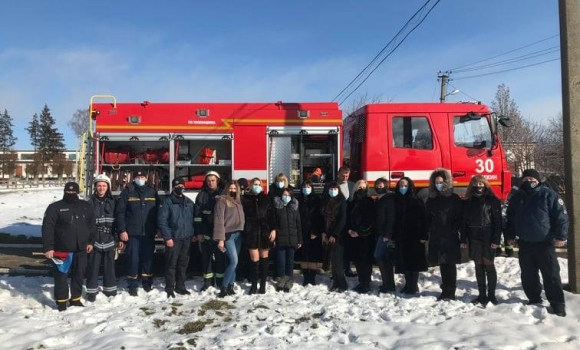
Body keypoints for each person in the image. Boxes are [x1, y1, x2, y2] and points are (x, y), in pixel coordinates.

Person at [505, 169, 569, 317]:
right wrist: (510, 236)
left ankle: (557, 304)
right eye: (526, 178)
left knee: (551, 275)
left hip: (545, 242)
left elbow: (561, 217)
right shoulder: (517, 197)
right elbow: (510, 219)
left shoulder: (548, 195)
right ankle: (534, 298)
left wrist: (561, 237)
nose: (529, 181)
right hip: (525, 243)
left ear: (538, 180)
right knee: (528, 275)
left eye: (532, 179)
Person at [42, 182, 96, 311]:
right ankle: (61, 301)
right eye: (68, 191)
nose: (71, 193)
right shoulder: (55, 207)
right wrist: (48, 247)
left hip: (81, 248)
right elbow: (47, 228)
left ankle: (75, 298)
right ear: (64, 191)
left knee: (79, 274)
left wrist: (90, 241)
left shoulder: (86, 206)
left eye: (73, 192)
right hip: (62, 249)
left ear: (78, 192)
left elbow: (92, 225)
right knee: (61, 275)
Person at [115, 168, 159, 296]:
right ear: (133, 179)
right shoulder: (127, 192)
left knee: (148, 259)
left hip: (148, 232)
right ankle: (132, 284)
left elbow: (157, 213)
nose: (140, 180)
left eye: (142, 177)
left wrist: (158, 229)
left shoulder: (152, 191)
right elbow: (120, 213)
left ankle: (146, 282)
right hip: (132, 233)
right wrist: (122, 230)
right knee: (133, 259)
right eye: (138, 178)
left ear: (146, 179)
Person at [460, 175, 502, 305]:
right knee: (478, 266)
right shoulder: (467, 201)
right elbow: (463, 223)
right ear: (472, 185)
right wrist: (463, 239)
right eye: (476, 184)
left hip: (488, 236)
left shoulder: (492, 200)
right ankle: (482, 295)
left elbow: (498, 222)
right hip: (474, 237)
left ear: (485, 185)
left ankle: (492, 295)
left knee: (489, 265)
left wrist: (496, 239)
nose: (479, 187)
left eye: (481, 184)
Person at [425, 168, 463, 301]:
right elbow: (427, 217)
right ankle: (444, 290)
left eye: (441, 182)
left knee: (450, 264)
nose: (439, 184)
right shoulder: (432, 199)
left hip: (450, 236)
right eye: (436, 182)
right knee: (442, 264)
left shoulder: (454, 198)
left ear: (446, 182)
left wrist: (454, 229)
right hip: (437, 236)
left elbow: (460, 218)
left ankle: (451, 291)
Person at [158, 177, 195, 298]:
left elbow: (194, 219)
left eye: (181, 186)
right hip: (173, 239)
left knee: (183, 264)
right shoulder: (167, 201)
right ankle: (169, 288)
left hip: (187, 238)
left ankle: (181, 286)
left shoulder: (189, 202)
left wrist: (193, 234)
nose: (179, 188)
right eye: (177, 186)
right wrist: (167, 237)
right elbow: (162, 221)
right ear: (173, 187)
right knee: (171, 264)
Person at [393, 177, 428, 295]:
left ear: (410, 186)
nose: (403, 188)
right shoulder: (397, 200)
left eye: (405, 185)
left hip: (415, 236)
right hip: (402, 236)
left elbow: (424, 218)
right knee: (405, 261)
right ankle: (408, 284)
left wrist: (424, 235)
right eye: (401, 185)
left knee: (414, 262)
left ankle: (413, 285)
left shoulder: (417, 200)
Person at [86, 174, 117, 302]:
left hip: (109, 238)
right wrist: (89, 241)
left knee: (110, 266)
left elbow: (118, 221)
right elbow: (86, 224)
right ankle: (91, 291)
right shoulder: (89, 203)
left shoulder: (113, 203)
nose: (101, 188)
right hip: (95, 240)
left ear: (108, 187)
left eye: (104, 186)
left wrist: (118, 238)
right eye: (99, 186)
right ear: (95, 187)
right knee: (93, 266)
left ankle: (110, 290)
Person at [242, 178, 276, 294]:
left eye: (259, 184)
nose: (257, 186)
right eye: (255, 184)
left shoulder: (266, 198)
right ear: (251, 186)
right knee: (254, 260)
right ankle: (254, 284)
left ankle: (263, 284)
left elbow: (272, 215)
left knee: (264, 259)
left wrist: (273, 229)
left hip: (265, 231)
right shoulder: (245, 199)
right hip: (251, 231)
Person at [213, 180, 245, 298]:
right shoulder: (222, 201)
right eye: (230, 188)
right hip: (228, 235)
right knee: (233, 261)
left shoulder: (238, 201)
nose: (232, 190)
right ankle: (224, 287)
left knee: (234, 263)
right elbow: (219, 220)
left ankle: (231, 286)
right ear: (227, 189)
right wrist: (220, 239)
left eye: (234, 189)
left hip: (238, 235)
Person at [194, 170, 222, 292]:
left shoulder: (222, 194)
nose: (210, 183)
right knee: (206, 259)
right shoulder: (201, 195)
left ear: (217, 181)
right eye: (208, 181)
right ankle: (207, 282)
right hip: (205, 233)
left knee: (221, 258)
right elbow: (197, 216)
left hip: (219, 234)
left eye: (213, 181)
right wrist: (199, 233)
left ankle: (220, 281)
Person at [346, 180, 376, 293]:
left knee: (365, 261)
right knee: (357, 261)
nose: (361, 190)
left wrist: (360, 232)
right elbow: (348, 218)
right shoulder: (352, 202)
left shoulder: (369, 201)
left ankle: (366, 283)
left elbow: (370, 220)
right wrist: (349, 230)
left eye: (363, 188)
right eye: (359, 187)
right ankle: (361, 281)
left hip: (365, 237)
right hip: (353, 236)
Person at [272, 188, 302, 292]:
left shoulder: (294, 208)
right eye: (284, 195)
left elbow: (298, 225)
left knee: (290, 262)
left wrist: (300, 240)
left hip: (292, 239)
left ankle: (289, 281)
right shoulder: (277, 208)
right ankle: (281, 281)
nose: (286, 197)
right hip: (280, 239)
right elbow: (274, 223)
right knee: (281, 261)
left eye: (288, 195)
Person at [322, 182, 348, 292]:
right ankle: (336, 282)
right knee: (332, 259)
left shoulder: (342, 201)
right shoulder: (326, 201)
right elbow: (322, 218)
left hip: (338, 235)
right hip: (328, 234)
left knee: (338, 261)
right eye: (331, 188)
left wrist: (335, 234)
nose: (333, 190)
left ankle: (342, 284)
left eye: (335, 188)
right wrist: (324, 232)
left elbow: (342, 219)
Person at [297, 180, 324, 286]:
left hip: (314, 233)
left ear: (312, 188)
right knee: (303, 256)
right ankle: (305, 277)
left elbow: (320, 218)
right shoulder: (298, 200)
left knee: (313, 256)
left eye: (308, 186)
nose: (306, 188)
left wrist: (316, 231)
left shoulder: (317, 200)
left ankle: (312, 278)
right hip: (302, 232)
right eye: (304, 186)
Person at [338, 166, 356, 277]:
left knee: (347, 246)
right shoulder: (333, 186)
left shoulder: (352, 186)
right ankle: (337, 269)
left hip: (348, 220)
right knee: (337, 247)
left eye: (346, 176)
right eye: (343, 175)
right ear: (338, 175)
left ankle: (347, 268)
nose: (344, 177)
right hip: (337, 221)